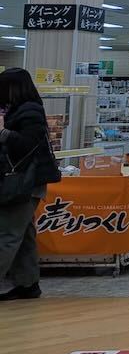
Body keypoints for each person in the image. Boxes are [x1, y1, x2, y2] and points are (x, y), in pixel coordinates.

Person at [0, 68, 62, 301]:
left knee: (7, 234)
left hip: (24, 182)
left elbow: (27, 144)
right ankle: (28, 284)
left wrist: (3, 133)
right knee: (23, 233)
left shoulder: (30, 111)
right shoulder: (19, 109)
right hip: (24, 181)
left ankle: (26, 283)